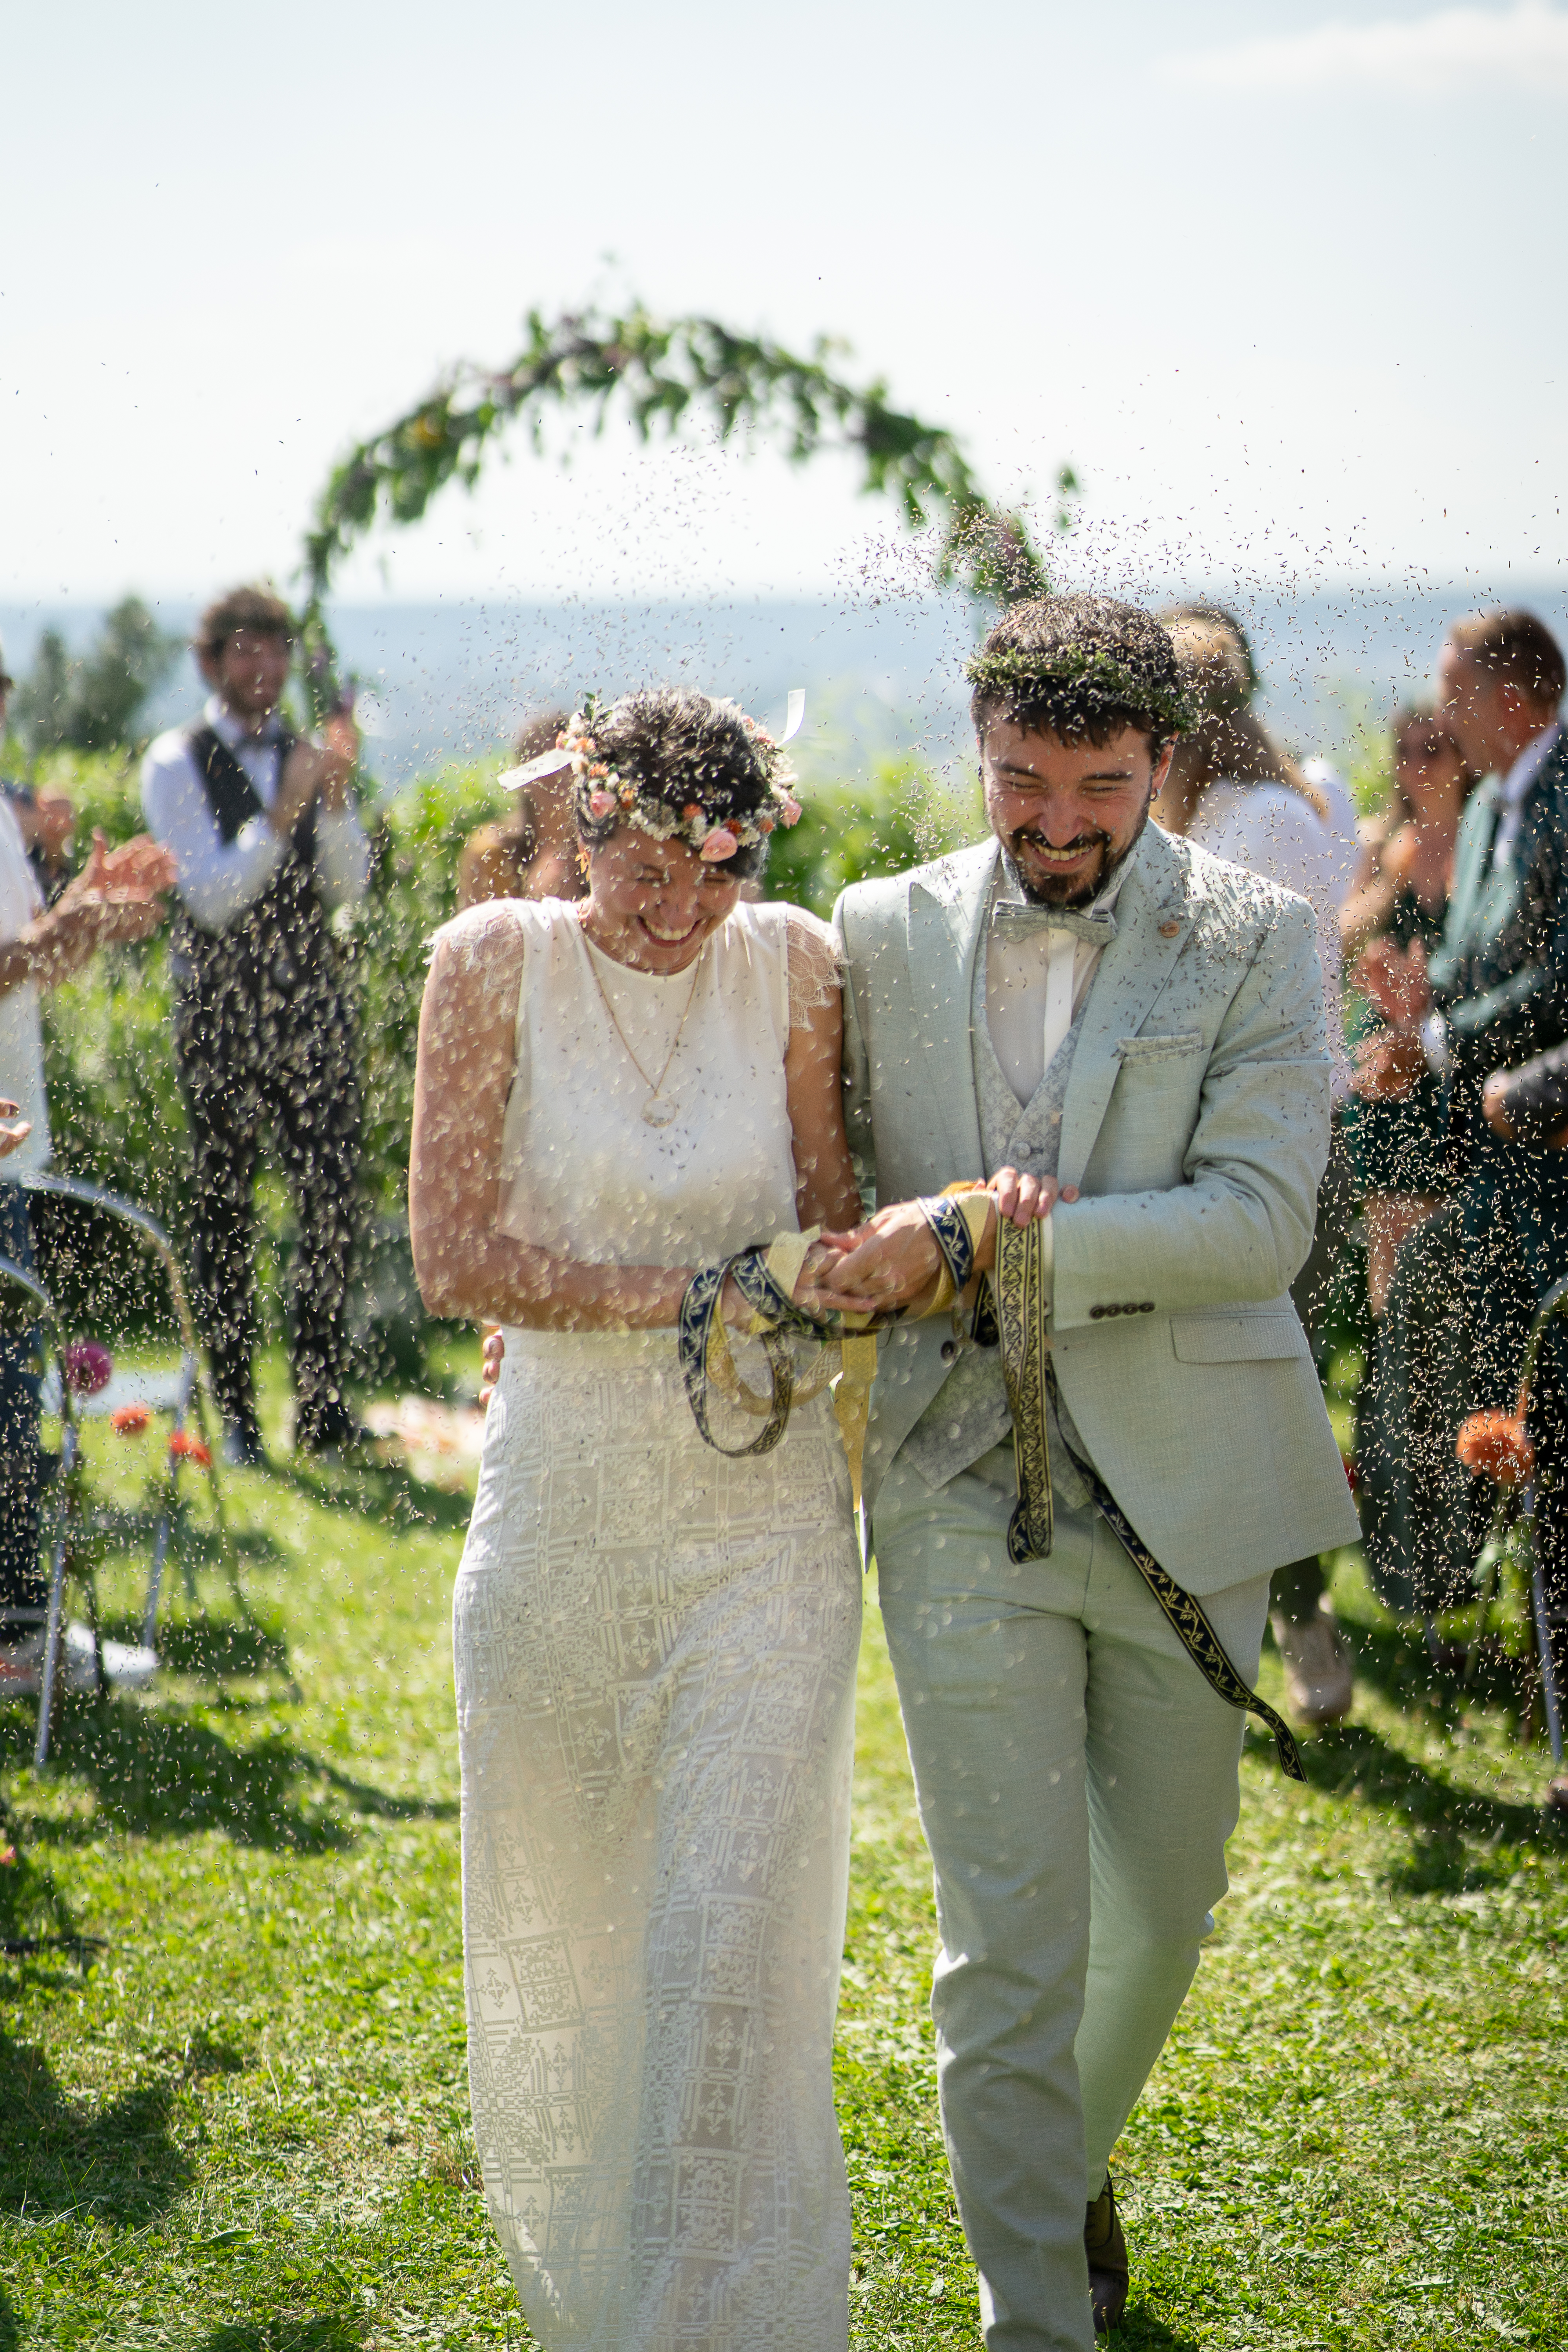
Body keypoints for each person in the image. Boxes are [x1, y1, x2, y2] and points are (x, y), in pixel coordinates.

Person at [808, 592, 1358, 2347]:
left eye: (1099, 786)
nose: (1054, 824)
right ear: (977, 752)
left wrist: (993, 1234)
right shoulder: (871, 927)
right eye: (1017, 782)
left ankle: (1056, 2152)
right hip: (950, 1479)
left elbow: (1258, 1223)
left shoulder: (1258, 933)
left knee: (1165, 1904)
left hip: (1189, 1482)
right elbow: (821, 1184)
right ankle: (1032, 2316)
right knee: (1008, 1933)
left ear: (1162, 761)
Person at [410, 689, 871, 2350]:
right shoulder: (488, 962)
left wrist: (868, 1273)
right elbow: (452, 1255)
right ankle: (608, 2303)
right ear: (578, 828)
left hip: (765, 1529)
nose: (679, 913)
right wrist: (692, 1293)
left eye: (716, 873)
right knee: (585, 1946)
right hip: (562, 1517)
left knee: (723, 1952)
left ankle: (712, 2316)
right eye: (644, 873)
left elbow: (829, 1218)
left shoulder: (795, 965)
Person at [1355, 606, 1568, 1811]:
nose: (1439, 716)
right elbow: (1481, 966)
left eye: (1454, 691)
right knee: (1445, 1345)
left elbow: (1558, 978)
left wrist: (1442, 1043)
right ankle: (1442, 1591)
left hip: (1556, 1150)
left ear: (1514, 696)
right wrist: (1418, 1030)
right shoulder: (1489, 806)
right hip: (1492, 1159)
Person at [1150, 606, 1357, 1725]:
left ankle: (1300, 1620)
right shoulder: (1209, 816)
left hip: (1280, 1150)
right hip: (1212, 1145)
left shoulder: (1262, 823)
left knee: (1266, 1389)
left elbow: (1235, 1003)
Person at [141, 588, 370, 1466]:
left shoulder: (305, 754)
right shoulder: (176, 761)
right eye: (245, 650)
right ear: (211, 664)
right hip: (221, 1011)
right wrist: (283, 812)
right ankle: (236, 1414)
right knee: (226, 1210)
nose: (264, 667)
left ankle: (320, 1407)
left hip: (311, 1004)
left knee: (331, 1201)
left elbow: (347, 889)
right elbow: (210, 896)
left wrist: (335, 801)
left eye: (275, 650)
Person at [1, 639, 176, 1691]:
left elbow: (20, 969)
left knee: (12, 1406)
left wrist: (83, 920)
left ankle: (18, 1632)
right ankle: (18, 1640)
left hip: (10, 1150)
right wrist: (58, 929)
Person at [1340, 707, 1472, 1318]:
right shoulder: (1384, 840)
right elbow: (1343, 937)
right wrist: (1388, 889)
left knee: (1453, 1249)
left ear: (1462, 758)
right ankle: (1389, 1360)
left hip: (1452, 1052)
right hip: (1388, 1057)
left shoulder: (1484, 838)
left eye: (1433, 750)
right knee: (1389, 1240)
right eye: (1406, 752)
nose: (1418, 766)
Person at [454, 707, 582, 909]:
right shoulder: (491, 853)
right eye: (542, 765)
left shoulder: (600, 849)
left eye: (564, 763)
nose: (557, 775)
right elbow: (485, 927)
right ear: (523, 779)